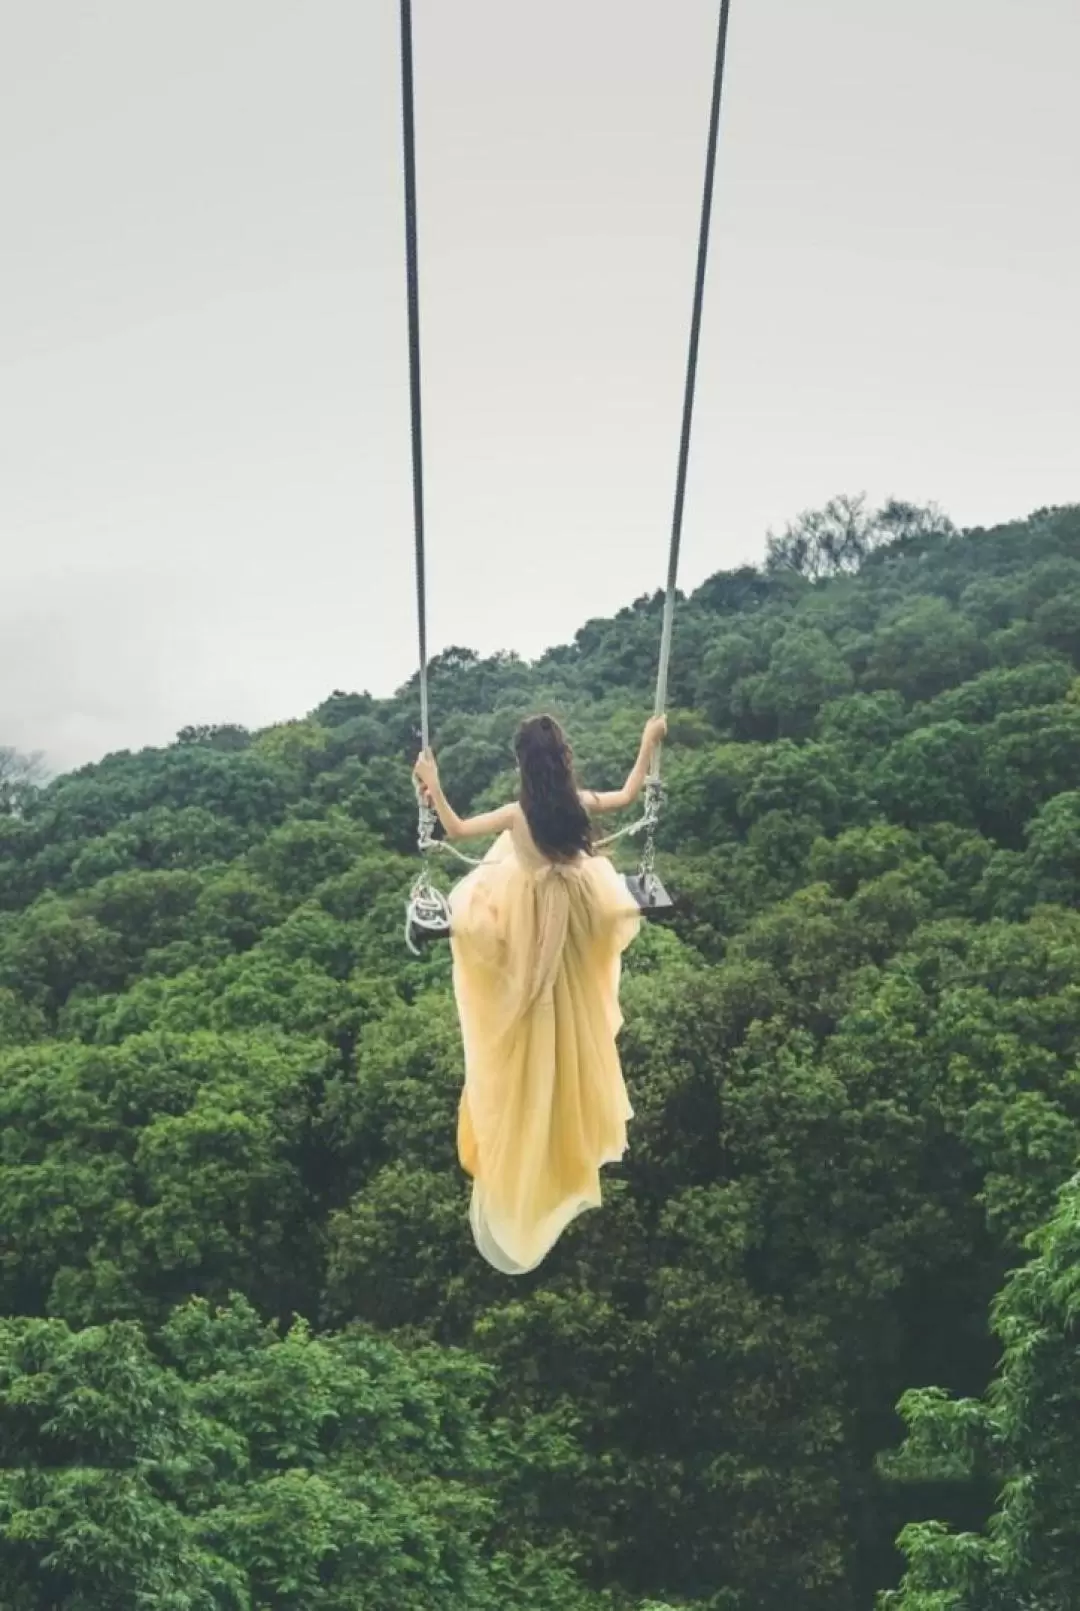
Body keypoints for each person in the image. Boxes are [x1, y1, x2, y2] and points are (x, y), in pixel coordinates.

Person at [413, 712, 668, 1274]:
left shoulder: (516, 813)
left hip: (527, 920)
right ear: (564, 760)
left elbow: (454, 830)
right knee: (576, 1002)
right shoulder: (575, 805)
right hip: (579, 912)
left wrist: (430, 782)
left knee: (492, 919)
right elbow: (627, 795)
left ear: (522, 765)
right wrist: (649, 742)